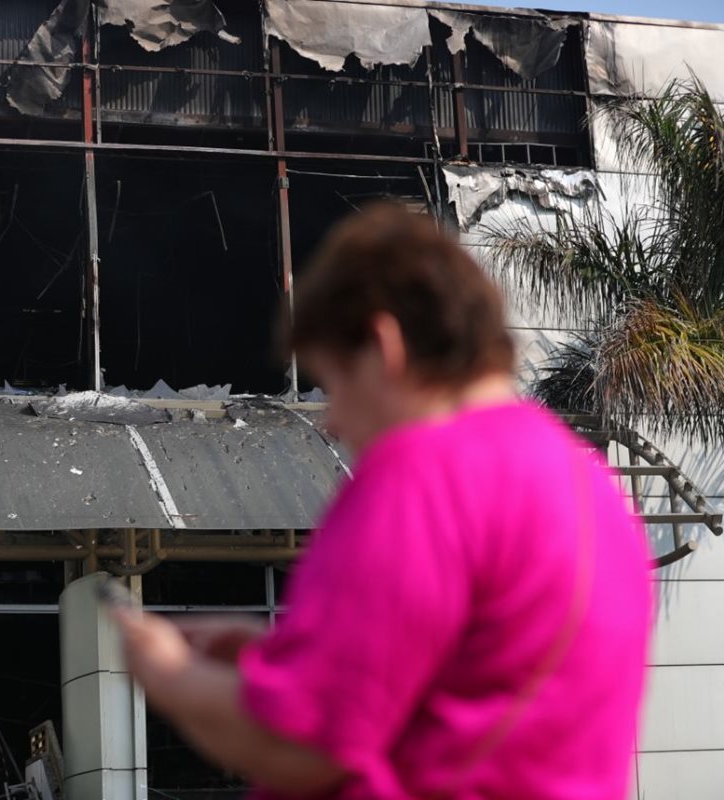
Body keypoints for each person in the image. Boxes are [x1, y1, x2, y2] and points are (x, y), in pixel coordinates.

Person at [114, 202, 652, 799]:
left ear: (382, 343)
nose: (333, 421)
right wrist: (278, 664)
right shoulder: (595, 489)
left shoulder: (425, 475)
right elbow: (467, 697)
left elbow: (303, 746)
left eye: (334, 382)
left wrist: (170, 675)